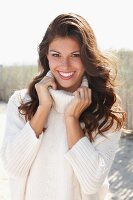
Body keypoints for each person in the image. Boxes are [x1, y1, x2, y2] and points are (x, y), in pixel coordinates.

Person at [0, 13, 125, 200]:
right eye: (56, 55)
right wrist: (43, 108)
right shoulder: (21, 102)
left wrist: (71, 119)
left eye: (75, 55)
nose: (65, 65)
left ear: (87, 58)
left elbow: (92, 183)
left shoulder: (105, 109)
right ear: (46, 56)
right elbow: (13, 167)